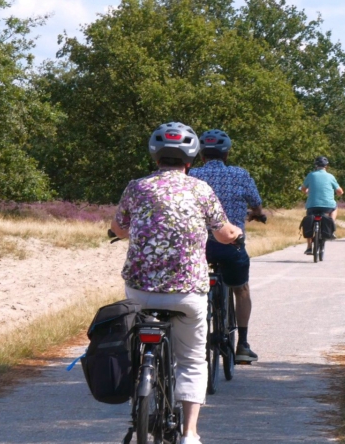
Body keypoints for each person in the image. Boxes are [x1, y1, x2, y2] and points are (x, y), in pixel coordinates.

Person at [110, 122, 243, 444]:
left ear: (155, 156)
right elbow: (223, 233)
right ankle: (190, 434)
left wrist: (128, 230)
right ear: (191, 158)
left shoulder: (136, 187)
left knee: (134, 339)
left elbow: (119, 228)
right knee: (193, 361)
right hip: (187, 293)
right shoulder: (201, 189)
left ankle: (141, 376)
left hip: (140, 290)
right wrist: (235, 234)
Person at [189, 129, 263, 363]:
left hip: (199, 247)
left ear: (201, 155)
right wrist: (256, 214)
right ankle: (242, 344)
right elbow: (256, 203)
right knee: (241, 289)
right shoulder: (240, 175)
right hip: (231, 246)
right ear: (227, 154)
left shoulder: (192, 175)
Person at [301, 155, 343, 255]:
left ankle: (309, 247)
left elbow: (303, 188)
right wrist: (337, 193)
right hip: (327, 206)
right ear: (326, 166)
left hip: (312, 206)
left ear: (315, 166)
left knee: (309, 221)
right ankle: (331, 225)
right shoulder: (331, 176)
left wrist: (307, 191)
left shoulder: (310, 175)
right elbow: (340, 191)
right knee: (334, 208)